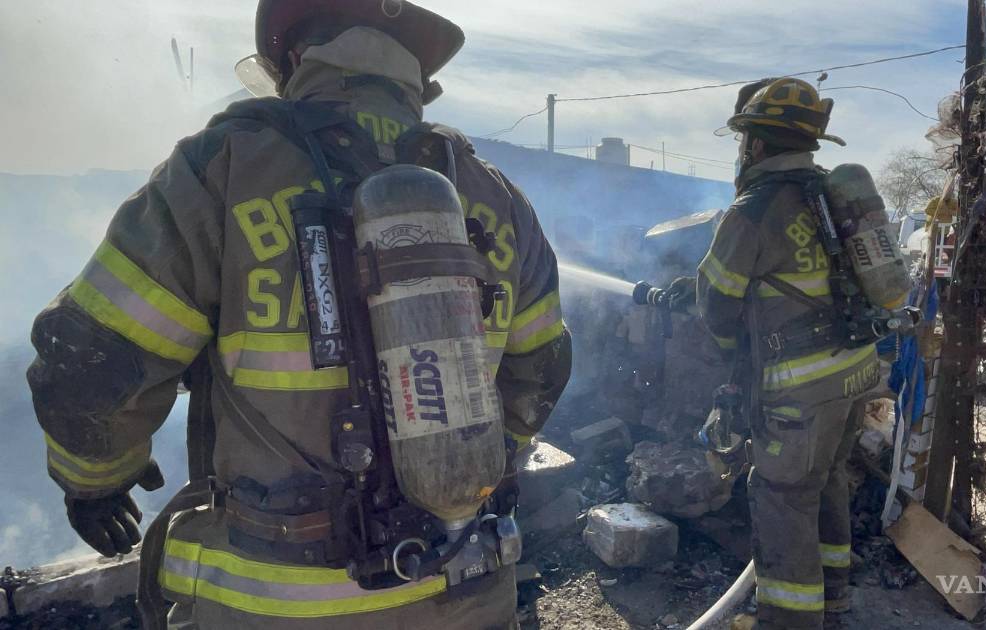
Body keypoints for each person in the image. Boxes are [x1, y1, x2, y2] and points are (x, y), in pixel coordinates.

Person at [25, 1, 571, 628]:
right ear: (417, 74)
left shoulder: (223, 167)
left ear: (291, 59)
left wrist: (95, 478)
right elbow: (544, 367)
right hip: (467, 587)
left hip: (277, 605)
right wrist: (467, 464)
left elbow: (92, 357)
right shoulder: (494, 194)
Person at [690, 77, 890, 630]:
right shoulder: (831, 195)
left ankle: (789, 620)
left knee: (782, 497)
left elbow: (715, 307)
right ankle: (835, 597)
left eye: (744, 141)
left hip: (800, 389)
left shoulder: (751, 211)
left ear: (755, 143)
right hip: (855, 372)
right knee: (824, 479)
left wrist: (735, 364)